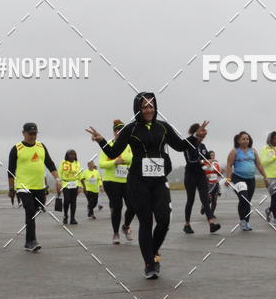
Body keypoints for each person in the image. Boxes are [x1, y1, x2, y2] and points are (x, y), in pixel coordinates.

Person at [87, 93, 206, 279]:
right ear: (138, 109)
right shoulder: (130, 129)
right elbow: (113, 151)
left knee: (164, 220)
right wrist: (101, 140)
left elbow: (180, 146)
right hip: (138, 181)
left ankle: (153, 250)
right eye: (144, 107)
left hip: (159, 180)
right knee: (146, 222)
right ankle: (150, 264)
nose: (148, 110)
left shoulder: (163, 127)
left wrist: (196, 137)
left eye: (151, 106)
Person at [8, 122, 61, 252]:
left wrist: (58, 180)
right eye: (30, 134)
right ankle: (31, 241)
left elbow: (50, 163)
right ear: (23, 133)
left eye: (35, 133)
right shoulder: (17, 148)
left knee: (36, 209)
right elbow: (10, 171)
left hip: (39, 187)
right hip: (23, 186)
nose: (33, 136)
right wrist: (11, 189)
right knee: (30, 210)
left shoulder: (41, 146)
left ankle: (28, 241)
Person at [98, 120, 135, 244]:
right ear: (114, 132)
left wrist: (123, 159)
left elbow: (132, 158)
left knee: (133, 206)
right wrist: (114, 162)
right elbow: (101, 164)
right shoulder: (108, 145)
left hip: (127, 180)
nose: (119, 132)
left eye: (122, 130)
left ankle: (125, 226)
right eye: (117, 130)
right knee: (117, 206)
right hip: (111, 181)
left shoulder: (129, 145)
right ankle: (115, 233)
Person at [225, 132, 269, 231]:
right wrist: (228, 179)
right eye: (243, 139)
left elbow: (259, 164)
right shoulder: (235, 151)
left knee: (247, 201)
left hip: (251, 179)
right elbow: (229, 165)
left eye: (247, 139)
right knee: (243, 198)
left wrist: (265, 176)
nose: (246, 141)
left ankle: (247, 222)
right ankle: (242, 221)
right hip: (238, 178)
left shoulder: (253, 151)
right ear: (238, 141)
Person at [182, 124, 220, 234]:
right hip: (190, 175)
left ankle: (211, 224)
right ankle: (187, 224)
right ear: (195, 132)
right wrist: (203, 162)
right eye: (201, 131)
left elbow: (208, 158)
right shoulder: (188, 144)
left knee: (205, 199)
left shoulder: (202, 146)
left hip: (201, 175)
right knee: (190, 200)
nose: (204, 133)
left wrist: (210, 163)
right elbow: (190, 161)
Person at [60, 149, 83, 225]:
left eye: (74, 154)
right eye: (70, 154)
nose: (72, 156)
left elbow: (80, 175)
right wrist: (59, 183)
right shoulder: (63, 163)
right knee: (67, 200)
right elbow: (60, 173)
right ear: (67, 155)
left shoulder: (77, 163)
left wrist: (80, 186)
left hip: (75, 184)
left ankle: (72, 218)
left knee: (73, 202)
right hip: (65, 184)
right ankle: (65, 215)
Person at [202, 150, 221, 218]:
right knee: (209, 198)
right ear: (208, 156)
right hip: (208, 183)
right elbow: (202, 171)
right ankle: (204, 206)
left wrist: (220, 173)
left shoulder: (216, 163)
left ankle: (211, 213)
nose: (212, 156)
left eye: (213, 155)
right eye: (211, 155)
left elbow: (219, 173)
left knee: (215, 199)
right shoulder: (204, 163)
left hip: (215, 182)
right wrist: (206, 175)